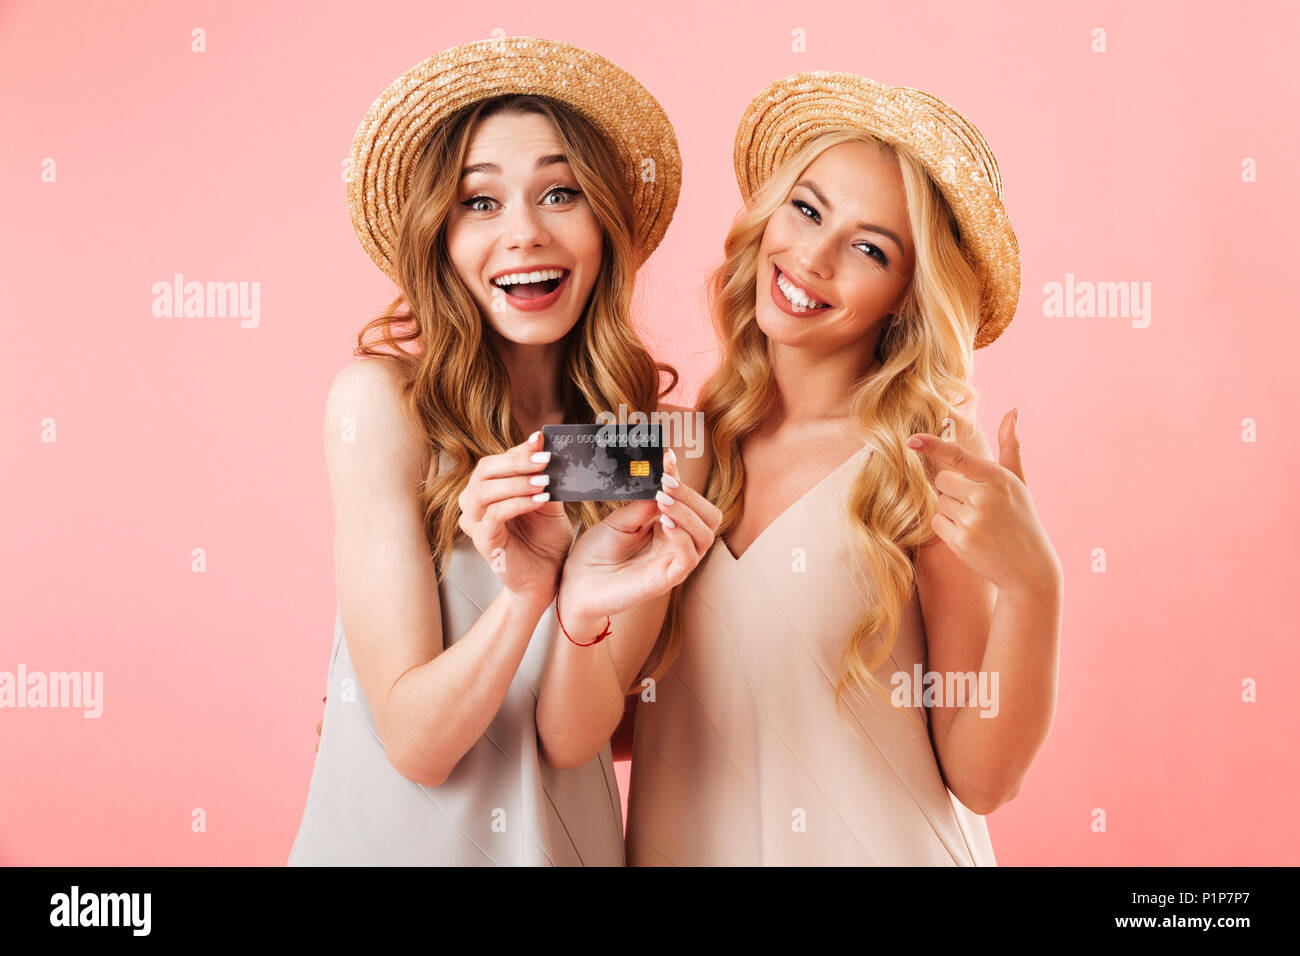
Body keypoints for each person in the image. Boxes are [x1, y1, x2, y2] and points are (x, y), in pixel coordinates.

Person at [288, 36, 718, 867]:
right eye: (479, 203)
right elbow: (417, 743)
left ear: (604, 224)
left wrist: (585, 612)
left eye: (560, 193)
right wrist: (523, 597)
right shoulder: (384, 410)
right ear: (440, 238)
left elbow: (568, 741)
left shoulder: (656, 445)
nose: (523, 233)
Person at [617, 72, 1064, 865]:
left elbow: (982, 779)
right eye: (807, 209)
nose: (813, 257)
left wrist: (1035, 587)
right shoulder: (668, 447)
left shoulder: (923, 460)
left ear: (905, 295)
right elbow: (601, 718)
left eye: (868, 247)